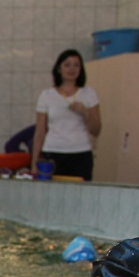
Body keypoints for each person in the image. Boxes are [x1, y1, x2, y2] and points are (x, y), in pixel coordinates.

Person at [30, 49, 102, 181]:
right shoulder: (47, 95)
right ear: (59, 68)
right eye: (67, 65)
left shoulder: (89, 93)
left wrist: (85, 113)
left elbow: (96, 130)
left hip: (81, 153)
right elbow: (40, 132)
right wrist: (34, 163)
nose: (72, 69)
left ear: (81, 69)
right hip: (53, 153)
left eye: (76, 65)